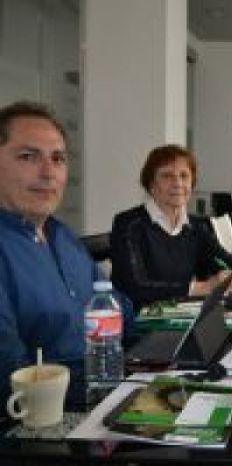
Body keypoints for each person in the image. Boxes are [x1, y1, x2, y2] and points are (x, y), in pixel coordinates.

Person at [0, 101, 133, 404]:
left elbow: (118, 310)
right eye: (28, 156)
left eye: (58, 158)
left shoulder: (61, 235)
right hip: (49, 417)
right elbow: (11, 379)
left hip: (107, 387)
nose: (48, 172)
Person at [110, 144, 232, 311]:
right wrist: (204, 287)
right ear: (151, 185)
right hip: (140, 323)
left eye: (184, 176)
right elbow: (135, 287)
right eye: (167, 176)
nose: (177, 183)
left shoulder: (195, 227)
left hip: (181, 316)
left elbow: (226, 262)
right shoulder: (128, 224)